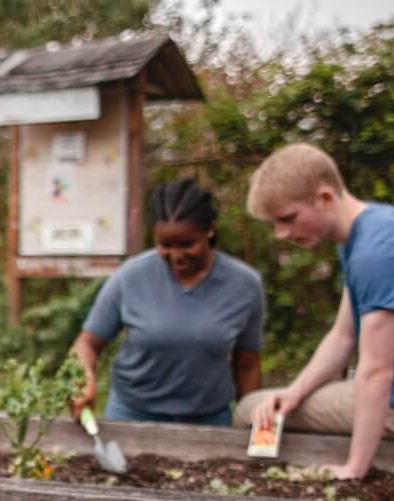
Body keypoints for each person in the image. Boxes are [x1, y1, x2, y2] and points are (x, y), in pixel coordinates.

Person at [234, 143, 394, 479]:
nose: (281, 233)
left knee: (250, 410)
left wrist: (354, 468)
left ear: (324, 198)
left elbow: (377, 371)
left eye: (288, 218)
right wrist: (293, 393)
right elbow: (343, 335)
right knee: (275, 403)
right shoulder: (371, 232)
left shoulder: (375, 253)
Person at [69, 179, 265, 426]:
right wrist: (83, 379)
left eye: (187, 244)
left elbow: (247, 364)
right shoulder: (130, 277)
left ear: (210, 230)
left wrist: (255, 426)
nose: (176, 256)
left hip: (209, 420)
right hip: (132, 414)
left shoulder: (244, 285)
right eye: (165, 245)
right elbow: (87, 343)